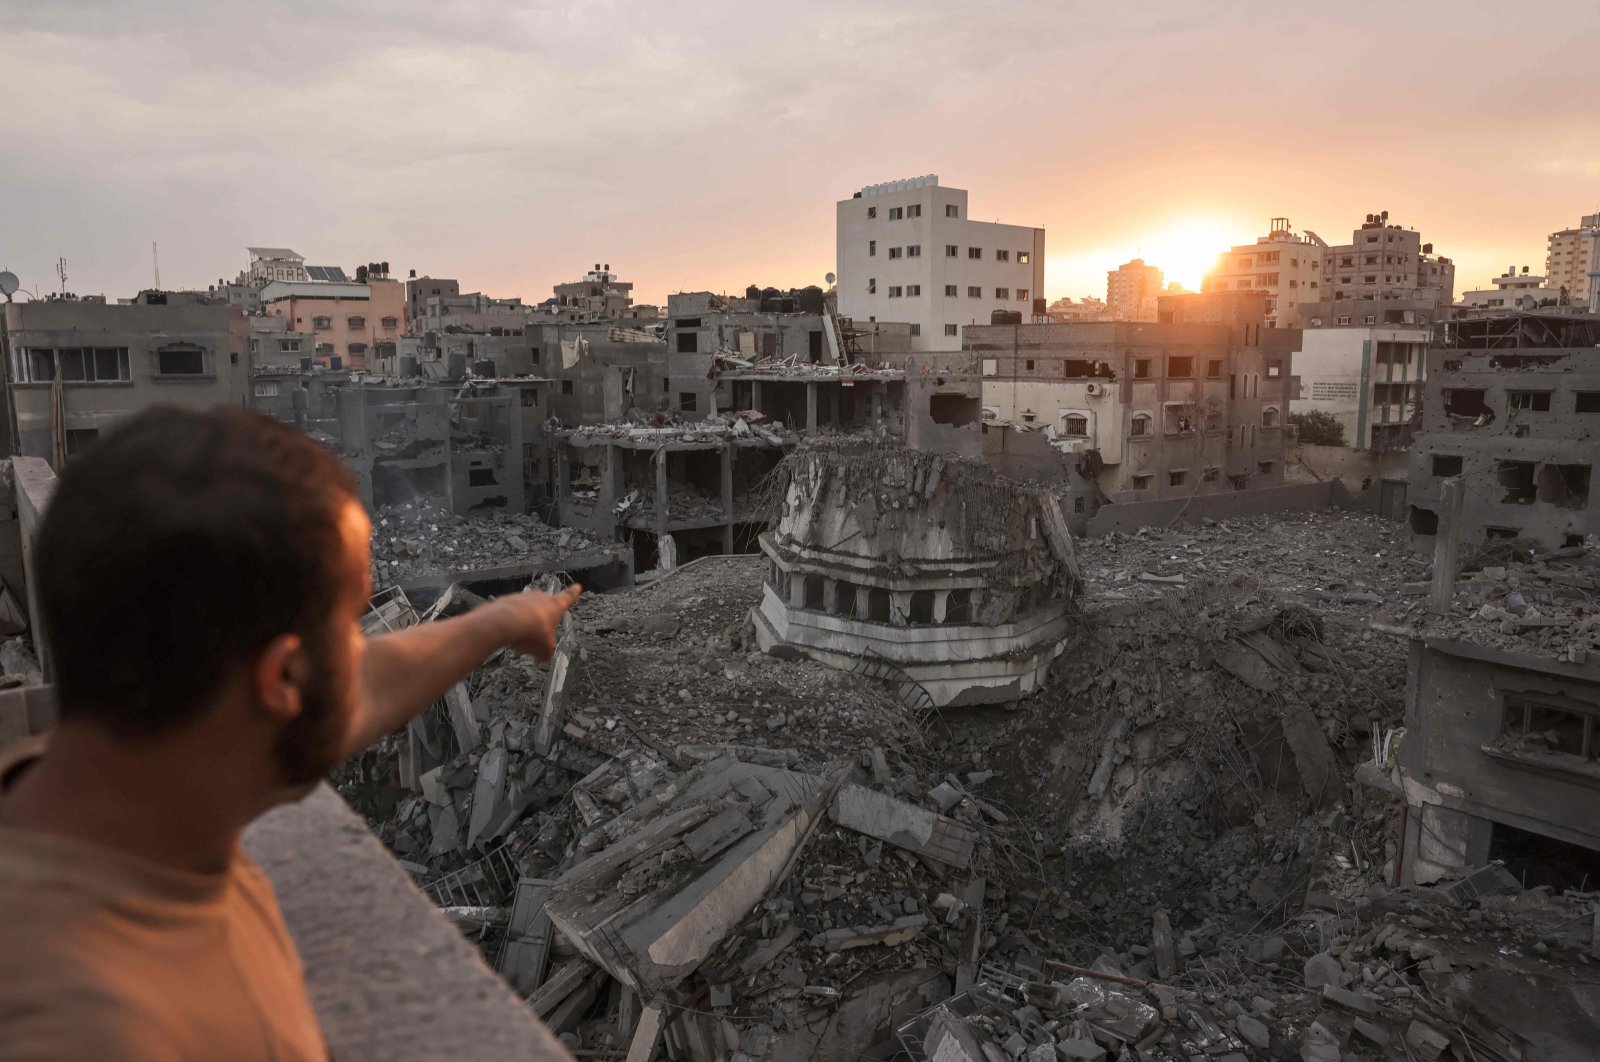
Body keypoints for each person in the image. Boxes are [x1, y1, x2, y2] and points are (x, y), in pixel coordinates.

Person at [0, 407, 581, 1059]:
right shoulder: (93, 1027)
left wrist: (502, 621)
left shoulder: (124, 775)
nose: (366, 640)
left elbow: (359, 681)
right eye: (349, 623)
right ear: (282, 683)